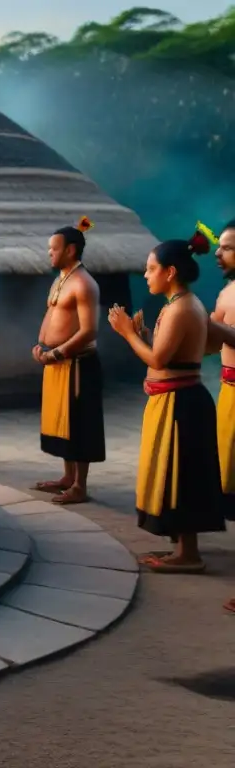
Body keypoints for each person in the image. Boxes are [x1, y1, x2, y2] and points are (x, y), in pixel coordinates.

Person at [108, 228, 224, 573]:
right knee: (174, 474)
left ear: (169, 271)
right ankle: (182, 549)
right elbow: (171, 353)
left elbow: (158, 361)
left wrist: (128, 333)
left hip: (182, 404)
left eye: (150, 268)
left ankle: (189, 555)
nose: (145, 275)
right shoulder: (180, 305)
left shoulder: (182, 307)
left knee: (182, 475)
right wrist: (143, 335)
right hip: (176, 401)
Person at [31, 216, 106, 504]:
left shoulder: (85, 283)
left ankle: (80, 486)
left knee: (79, 423)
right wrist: (41, 346)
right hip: (55, 361)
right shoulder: (61, 280)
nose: (49, 253)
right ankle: (66, 477)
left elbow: (89, 330)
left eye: (54, 249)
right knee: (61, 421)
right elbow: (51, 316)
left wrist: (58, 352)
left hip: (77, 363)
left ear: (70, 250)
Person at [200, 220, 235, 609]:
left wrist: (211, 326)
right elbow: (215, 345)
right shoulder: (227, 291)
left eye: (226, 247)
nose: (218, 253)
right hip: (229, 392)